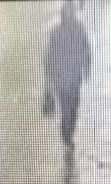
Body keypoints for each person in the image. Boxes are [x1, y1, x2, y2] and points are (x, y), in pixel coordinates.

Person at [43, 1, 92, 159]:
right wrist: (49, 78)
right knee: (66, 109)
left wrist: (86, 68)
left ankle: (68, 134)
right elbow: (49, 56)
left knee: (73, 108)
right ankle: (67, 137)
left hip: (72, 76)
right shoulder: (57, 32)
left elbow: (86, 49)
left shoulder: (78, 29)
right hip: (63, 78)